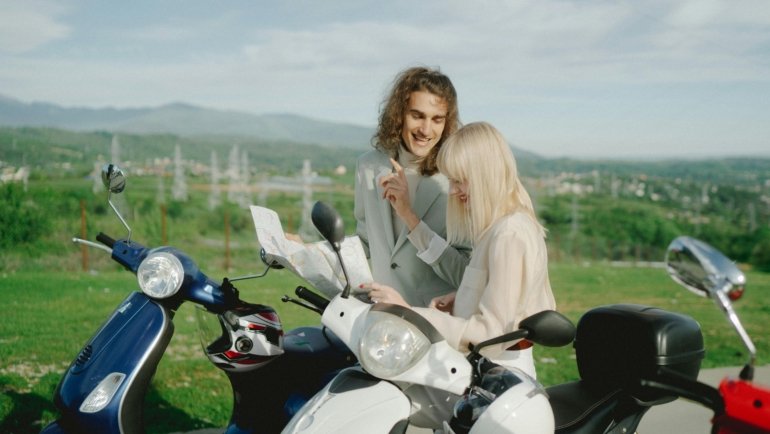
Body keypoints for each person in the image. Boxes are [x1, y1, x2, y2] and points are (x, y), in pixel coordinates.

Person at [364, 121, 556, 378]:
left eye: (459, 180)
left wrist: (408, 313)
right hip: (490, 368)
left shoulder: (509, 234)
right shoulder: (501, 226)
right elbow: (509, 300)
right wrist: (464, 296)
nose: (453, 190)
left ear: (485, 174)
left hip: (496, 374)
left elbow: (491, 334)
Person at [354, 66, 471, 307]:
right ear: (399, 114)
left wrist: (411, 217)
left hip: (434, 321)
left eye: (437, 119)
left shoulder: (458, 178)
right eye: (417, 116)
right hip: (379, 320)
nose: (426, 130)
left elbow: (465, 274)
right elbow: (364, 245)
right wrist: (307, 251)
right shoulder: (367, 165)